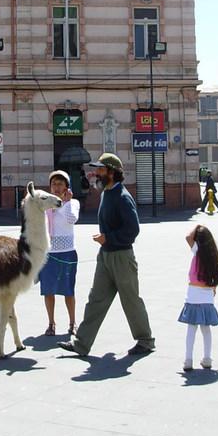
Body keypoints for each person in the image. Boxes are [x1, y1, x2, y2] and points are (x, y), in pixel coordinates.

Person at [58, 153, 155, 358]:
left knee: (130, 300)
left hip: (121, 256)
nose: (97, 173)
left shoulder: (122, 197)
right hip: (106, 256)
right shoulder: (106, 193)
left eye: (101, 170)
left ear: (112, 172)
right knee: (96, 299)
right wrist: (106, 242)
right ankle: (81, 344)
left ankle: (145, 341)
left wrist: (108, 238)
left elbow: (133, 230)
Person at [37, 170, 79, 336]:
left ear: (66, 187)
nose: (56, 187)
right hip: (48, 253)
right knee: (48, 290)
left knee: (68, 290)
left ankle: (72, 322)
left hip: (67, 252)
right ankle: (51, 323)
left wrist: (65, 203)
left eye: (60, 184)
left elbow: (71, 219)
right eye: (54, 183)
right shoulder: (45, 205)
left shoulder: (73, 203)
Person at [179, 224, 218, 371]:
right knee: (206, 329)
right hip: (207, 296)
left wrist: (197, 226)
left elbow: (187, 237)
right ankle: (207, 358)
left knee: (191, 329)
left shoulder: (197, 251)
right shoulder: (213, 256)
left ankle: (188, 360)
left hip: (193, 295)